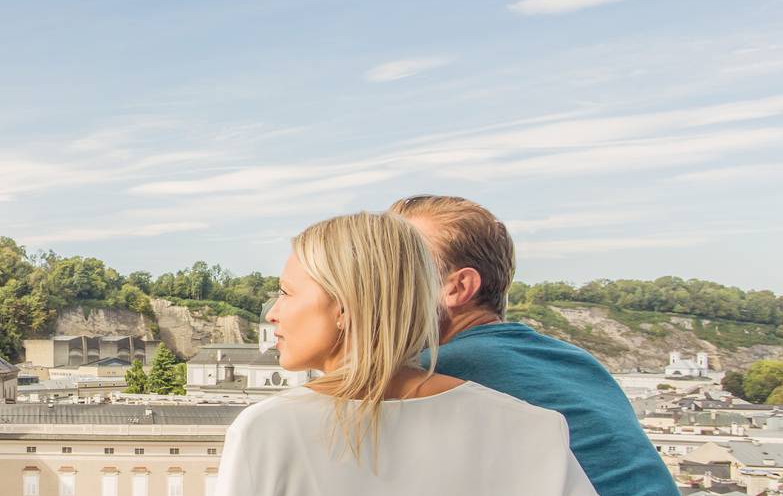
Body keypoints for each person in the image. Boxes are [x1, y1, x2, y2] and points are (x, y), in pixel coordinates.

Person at [216, 212, 595, 496]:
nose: (272, 313)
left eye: (286, 292)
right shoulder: (533, 428)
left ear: (346, 305)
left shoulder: (268, 430)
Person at [389, 195, 676, 496]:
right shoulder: (576, 361)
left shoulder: (436, 374)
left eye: (399, 267)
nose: (376, 284)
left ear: (457, 287)